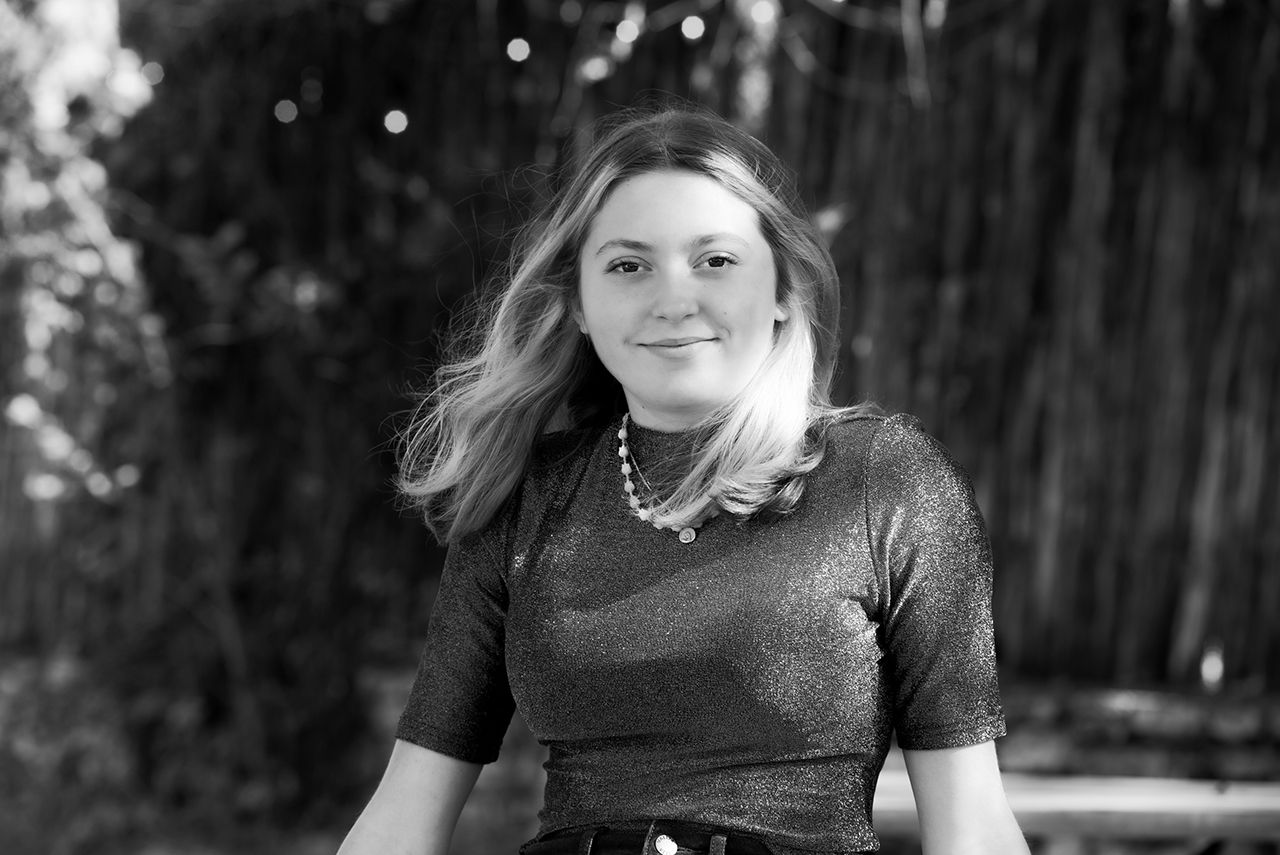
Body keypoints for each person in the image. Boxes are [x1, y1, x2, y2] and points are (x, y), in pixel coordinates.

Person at [338, 106, 1029, 855]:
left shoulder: (887, 481)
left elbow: (973, 827)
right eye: (628, 266)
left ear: (785, 288)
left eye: (716, 260)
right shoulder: (526, 498)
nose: (673, 300)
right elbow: (401, 820)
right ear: (577, 302)